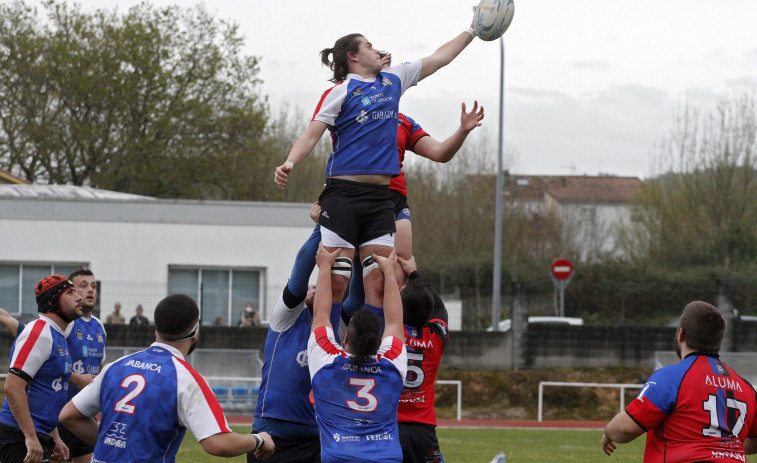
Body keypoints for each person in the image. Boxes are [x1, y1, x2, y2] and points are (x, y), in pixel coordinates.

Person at [274, 24, 477, 334]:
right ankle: (323, 349)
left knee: (380, 283)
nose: (377, 49)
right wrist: (289, 162)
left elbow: (440, 57)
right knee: (337, 280)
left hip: (381, 201)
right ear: (353, 56)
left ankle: (379, 352)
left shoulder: (393, 80)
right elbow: (311, 133)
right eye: (369, 45)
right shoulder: (339, 92)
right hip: (343, 195)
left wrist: (473, 30)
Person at [58, 294, 275, 461]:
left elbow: (69, 415)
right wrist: (259, 439)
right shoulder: (185, 378)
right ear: (195, 333)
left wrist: (111, 442)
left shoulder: (115, 367)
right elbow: (218, 443)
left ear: (156, 331)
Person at [601, 301, 757, 460]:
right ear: (718, 342)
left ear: (680, 335)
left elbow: (626, 429)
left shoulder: (670, 377)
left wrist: (608, 432)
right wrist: (722, 448)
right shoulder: (747, 388)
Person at [249, 217, 342, 463]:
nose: (312, 289)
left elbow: (342, 284)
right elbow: (301, 271)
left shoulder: (333, 323)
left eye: (317, 288)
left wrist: (351, 242)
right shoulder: (285, 318)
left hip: (314, 437)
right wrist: (322, 225)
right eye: (310, 289)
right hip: (271, 434)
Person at [308, 244, 407, 463]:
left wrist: (324, 267)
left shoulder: (326, 364)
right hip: (386, 458)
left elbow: (321, 315)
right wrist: (390, 272)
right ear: (379, 343)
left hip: (339, 457)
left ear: (345, 339)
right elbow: (395, 322)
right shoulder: (392, 366)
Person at [0, 275, 83, 463]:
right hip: (19, 436)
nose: (78, 296)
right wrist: (30, 437)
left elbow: (45, 390)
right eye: (70, 293)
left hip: (39, 433)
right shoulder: (40, 333)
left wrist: (55, 437)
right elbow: (12, 387)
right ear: (53, 301)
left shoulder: (57, 334)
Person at [394, 256, 450, 463]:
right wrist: (415, 274)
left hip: (392, 425)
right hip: (424, 429)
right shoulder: (437, 336)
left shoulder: (391, 334)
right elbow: (440, 308)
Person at [58, 268, 107, 463]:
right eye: (83, 286)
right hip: (60, 415)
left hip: (86, 415)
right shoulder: (66, 323)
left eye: (93, 286)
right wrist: (78, 379)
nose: (90, 290)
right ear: (71, 292)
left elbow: (100, 367)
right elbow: (49, 365)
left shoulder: (99, 326)